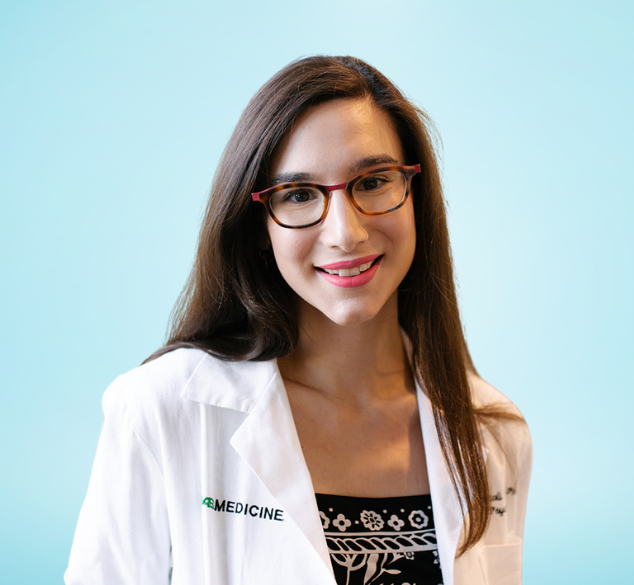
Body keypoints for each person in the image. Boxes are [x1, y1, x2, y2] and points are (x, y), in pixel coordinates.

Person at [65, 56, 532, 585]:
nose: (346, 234)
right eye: (300, 195)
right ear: (259, 229)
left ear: (416, 199)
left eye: (373, 181)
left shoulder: (494, 432)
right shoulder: (161, 408)